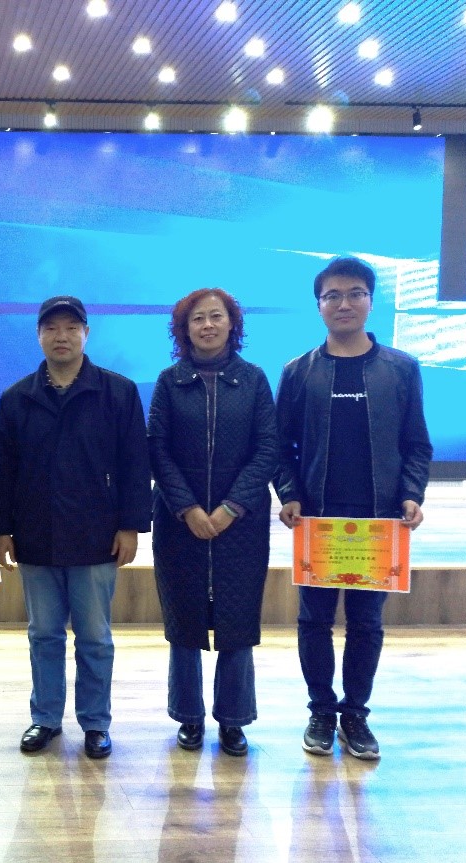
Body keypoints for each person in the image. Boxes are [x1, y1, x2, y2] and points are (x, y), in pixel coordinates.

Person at [274, 256, 432, 760]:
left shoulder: (401, 369)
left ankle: (356, 715)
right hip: (317, 520)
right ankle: (321, 711)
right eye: (333, 295)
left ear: (370, 301)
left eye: (355, 293)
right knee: (314, 622)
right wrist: (289, 493)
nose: (344, 303)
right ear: (319, 305)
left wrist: (412, 493)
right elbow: (279, 446)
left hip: (379, 521)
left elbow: (416, 443)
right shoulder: (298, 371)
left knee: (366, 624)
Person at [0, 296, 152, 759]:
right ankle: (45, 718)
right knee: (43, 634)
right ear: (39, 335)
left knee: (95, 638)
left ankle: (96, 723)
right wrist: (3, 528)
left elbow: (134, 464)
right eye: (51, 328)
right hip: (35, 535)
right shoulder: (17, 398)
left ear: (86, 333)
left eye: (71, 327)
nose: (61, 336)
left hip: (97, 534)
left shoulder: (117, 392)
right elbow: (3, 470)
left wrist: (131, 526)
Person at [148, 288, 278, 758]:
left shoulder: (254, 380)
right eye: (198, 318)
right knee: (183, 619)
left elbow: (267, 448)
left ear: (231, 324)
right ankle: (188, 715)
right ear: (184, 329)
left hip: (240, 523)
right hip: (178, 522)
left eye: (216, 316)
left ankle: (234, 720)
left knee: (236, 620)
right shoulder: (169, 381)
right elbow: (157, 449)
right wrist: (187, 508)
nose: (207, 325)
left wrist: (230, 508)